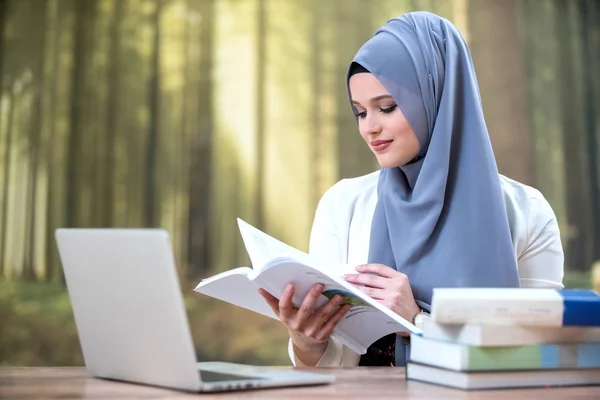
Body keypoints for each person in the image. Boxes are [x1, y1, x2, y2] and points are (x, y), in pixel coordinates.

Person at [258, 11, 564, 368]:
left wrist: (417, 321)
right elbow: (330, 365)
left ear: (435, 99)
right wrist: (306, 342)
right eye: (360, 112)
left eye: (386, 107)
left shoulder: (527, 211)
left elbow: (543, 352)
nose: (370, 128)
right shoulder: (342, 205)